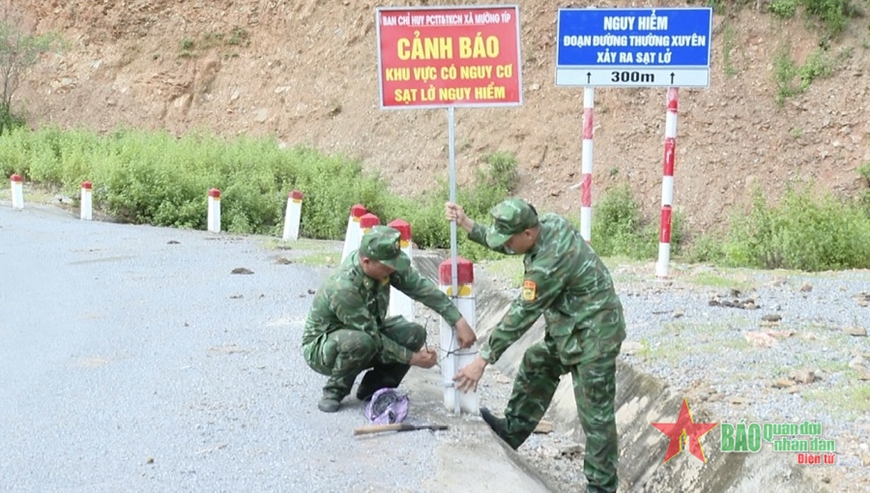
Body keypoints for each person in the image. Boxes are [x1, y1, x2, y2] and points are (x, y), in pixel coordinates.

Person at [445, 198, 626, 493]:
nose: (508, 245)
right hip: (569, 329)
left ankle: (602, 487)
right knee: (537, 362)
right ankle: (512, 431)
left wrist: (483, 359)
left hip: (595, 337)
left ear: (528, 234)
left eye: (511, 239)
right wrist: (468, 224)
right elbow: (505, 241)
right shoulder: (546, 224)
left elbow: (522, 314)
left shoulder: (548, 263)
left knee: (595, 416)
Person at [302, 224, 477, 413]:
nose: (392, 270)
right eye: (387, 266)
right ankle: (334, 391)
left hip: (369, 333)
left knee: (414, 333)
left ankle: (374, 387)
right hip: (324, 348)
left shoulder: (383, 266)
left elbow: (421, 289)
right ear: (367, 261)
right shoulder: (343, 287)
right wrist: (414, 359)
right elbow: (372, 336)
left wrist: (457, 320)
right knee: (361, 342)